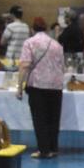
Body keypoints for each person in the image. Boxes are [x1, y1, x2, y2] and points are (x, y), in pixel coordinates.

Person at [17, 17, 65, 159]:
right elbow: (62, 66)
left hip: (38, 85)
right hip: (56, 85)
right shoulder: (57, 44)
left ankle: (44, 150)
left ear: (32, 29)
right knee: (53, 118)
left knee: (40, 118)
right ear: (46, 29)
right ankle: (53, 148)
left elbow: (24, 65)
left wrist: (19, 86)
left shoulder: (30, 43)